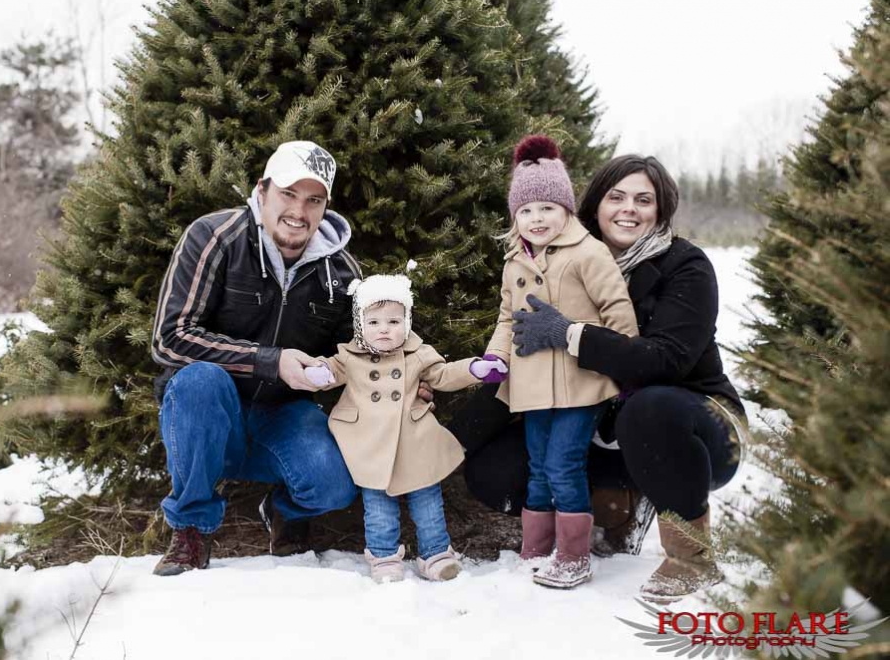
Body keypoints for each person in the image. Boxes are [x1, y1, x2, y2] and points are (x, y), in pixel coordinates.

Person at [459, 154, 746, 603]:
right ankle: (612, 508)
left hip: (694, 422)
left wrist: (571, 333)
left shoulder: (685, 266)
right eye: (616, 197)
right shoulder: (554, 258)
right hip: (597, 418)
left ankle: (693, 558)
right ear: (595, 204)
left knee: (649, 407)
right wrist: (450, 433)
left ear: (661, 210)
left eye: (643, 200)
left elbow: (663, 361)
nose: (628, 208)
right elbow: (520, 343)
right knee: (498, 469)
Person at [149, 140, 365, 576]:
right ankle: (191, 529)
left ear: (325, 207)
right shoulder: (215, 237)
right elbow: (169, 338)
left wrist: (408, 379)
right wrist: (270, 360)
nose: (299, 212)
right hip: (209, 410)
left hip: (282, 413)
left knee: (333, 486)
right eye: (288, 194)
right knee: (197, 381)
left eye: (313, 200)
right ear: (261, 192)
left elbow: (360, 354)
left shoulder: (341, 272)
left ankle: (286, 509)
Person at [481, 135, 638, 589]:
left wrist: (623, 361)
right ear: (516, 217)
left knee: (563, 464)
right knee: (537, 465)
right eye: (526, 211)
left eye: (547, 208)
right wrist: (495, 358)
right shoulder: (514, 261)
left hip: (579, 383)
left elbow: (618, 313)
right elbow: (507, 318)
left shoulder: (589, 253)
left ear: (566, 209)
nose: (536, 219)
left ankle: (573, 555)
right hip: (532, 386)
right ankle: (537, 548)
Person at [304, 274, 508, 583]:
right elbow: (331, 369)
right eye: (373, 322)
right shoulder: (350, 356)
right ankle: (384, 556)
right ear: (360, 325)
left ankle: (436, 553)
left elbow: (443, 374)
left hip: (413, 441)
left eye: (393, 321)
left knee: (427, 501)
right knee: (378, 505)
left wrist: (474, 368)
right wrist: (320, 373)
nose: (384, 329)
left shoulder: (418, 354)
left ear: (407, 321)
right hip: (370, 443)